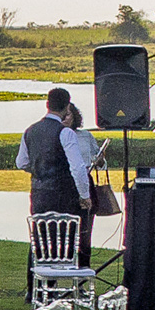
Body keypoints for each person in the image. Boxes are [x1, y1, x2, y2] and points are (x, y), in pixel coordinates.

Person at [19, 89, 101, 259]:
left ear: (47, 105)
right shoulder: (66, 133)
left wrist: (39, 168)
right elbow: (77, 168)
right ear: (66, 107)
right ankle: (65, 272)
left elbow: (21, 163)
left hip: (39, 194)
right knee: (65, 242)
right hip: (64, 196)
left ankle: (37, 274)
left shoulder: (30, 130)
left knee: (41, 239)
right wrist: (85, 196)